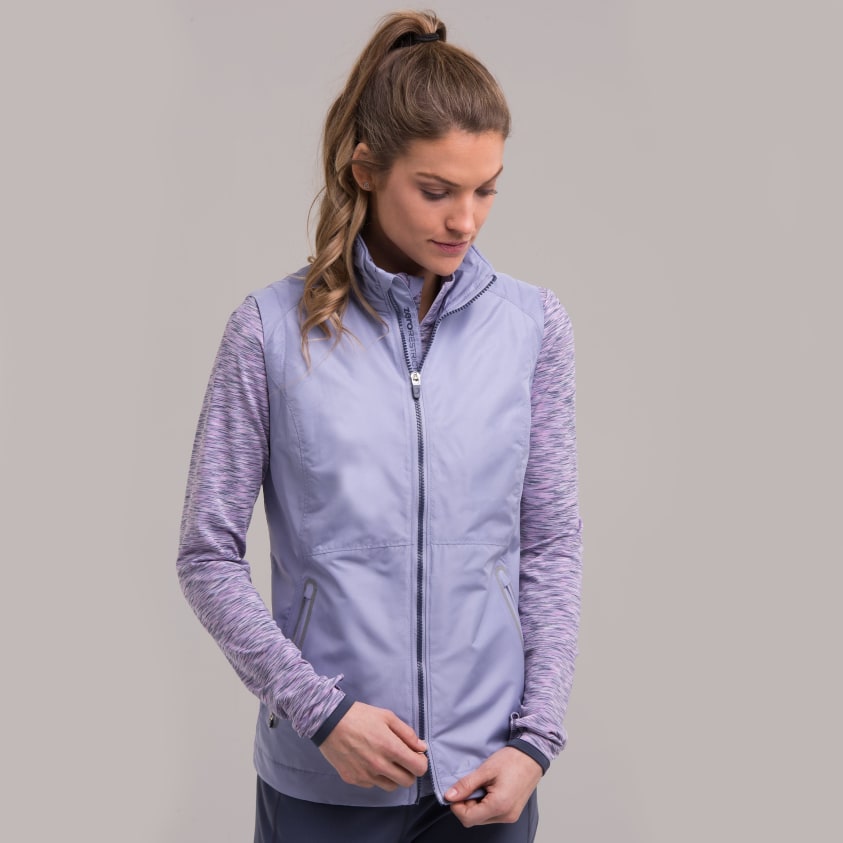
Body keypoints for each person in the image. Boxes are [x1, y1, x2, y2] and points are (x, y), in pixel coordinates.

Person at [177, 10, 582, 842]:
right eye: (435, 190)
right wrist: (321, 713)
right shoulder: (268, 331)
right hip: (325, 786)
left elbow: (549, 544)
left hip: (486, 783)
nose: (464, 220)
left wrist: (535, 741)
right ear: (365, 168)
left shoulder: (531, 327)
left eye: (485, 188)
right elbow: (206, 555)